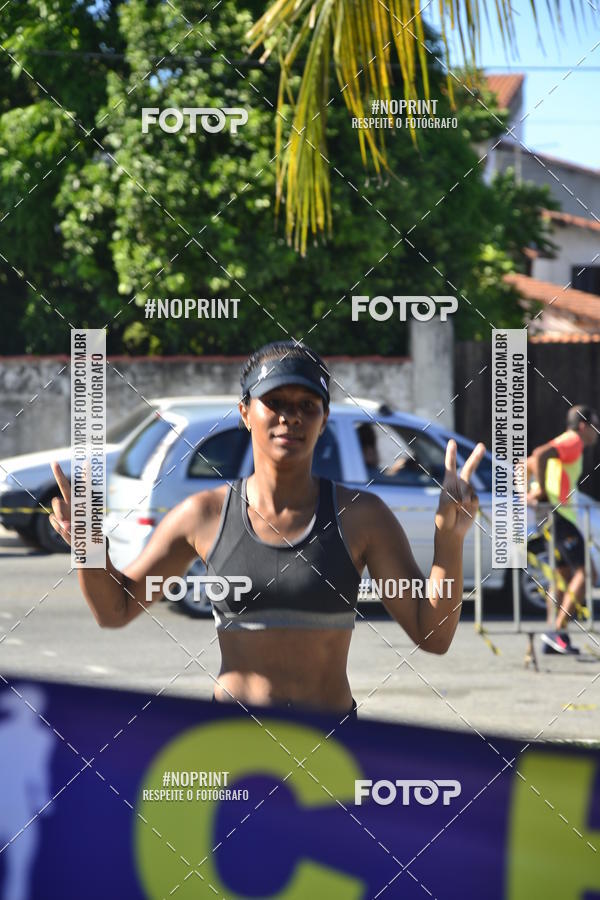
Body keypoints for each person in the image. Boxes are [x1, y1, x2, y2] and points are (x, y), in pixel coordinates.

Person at [49, 341, 486, 719]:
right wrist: (89, 549)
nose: (290, 417)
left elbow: (433, 636)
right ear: (245, 412)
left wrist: (449, 539)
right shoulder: (203, 514)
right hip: (233, 747)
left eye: (306, 405)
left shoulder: (361, 516)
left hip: (329, 748)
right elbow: (116, 609)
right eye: (274, 402)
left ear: (323, 417)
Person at [526, 403, 599, 655]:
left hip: (552, 514)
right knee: (587, 573)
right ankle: (556, 630)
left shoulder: (565, 442)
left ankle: (555, 637)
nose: (597, 432)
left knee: (562, 575)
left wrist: (529, 491)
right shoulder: (573, 441)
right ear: (583, 425)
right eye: (595, 427)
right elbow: (540, 453)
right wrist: (543, 492)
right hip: (560, 514)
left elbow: (528, 462)